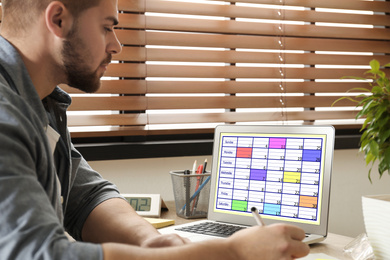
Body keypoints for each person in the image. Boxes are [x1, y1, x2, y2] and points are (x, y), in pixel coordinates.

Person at [0, 0, 310, 259]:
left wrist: (150, 240)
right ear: (58, 19)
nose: (117, 45)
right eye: (107, 27)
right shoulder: (5, 112)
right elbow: (37, 253)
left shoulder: (40, 103)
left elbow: (84, 196)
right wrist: (231, 253)